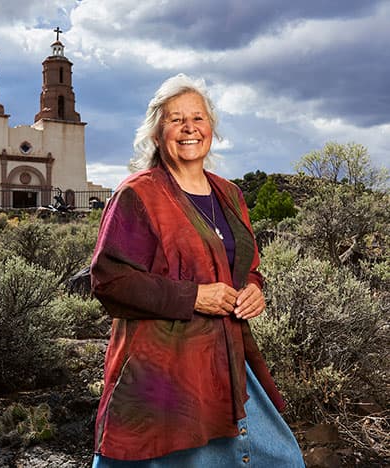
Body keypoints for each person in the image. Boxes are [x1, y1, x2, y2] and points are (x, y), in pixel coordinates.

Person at [90, 74, 304, 467]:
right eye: (175, 119)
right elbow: (109, 280)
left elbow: (246, 265)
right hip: (163, 367)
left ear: (211, 130)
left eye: (198, 118)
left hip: (226, 356)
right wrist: (194, 296)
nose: (189, 128)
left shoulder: (230, 193)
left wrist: (254, 288)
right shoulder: (137, 195)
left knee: (280, 458)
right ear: (157, 134)